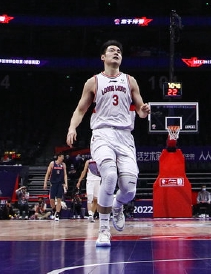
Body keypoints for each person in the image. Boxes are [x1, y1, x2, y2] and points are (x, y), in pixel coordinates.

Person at [66, 40, 151, 248]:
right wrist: (72, 128)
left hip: (125, 136)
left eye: (119, 51)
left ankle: (117, 205)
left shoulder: (130, 80)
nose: (116, 52)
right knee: (110, 175)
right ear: (103, 57)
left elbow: (140, 111)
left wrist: (144, 111)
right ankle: (104, 230)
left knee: (129, 189)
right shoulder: (93, 82)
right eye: (112, 50)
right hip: (102, 133)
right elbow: (80, 110)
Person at [76, 155, 101, 222]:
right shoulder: (88, 161)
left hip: (98, 180)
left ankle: (92, 215)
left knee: (96, 199)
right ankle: (89, 214)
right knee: (90, 197)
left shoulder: (100, 160)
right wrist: (79, 181)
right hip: (90, 180)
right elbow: (84, 171)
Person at [43, 153, 67, 221]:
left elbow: (65, 174)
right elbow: (47, 174)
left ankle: (57, 214)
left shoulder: (63, 164)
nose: (63, 158)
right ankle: (54, 210)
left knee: (59, 199)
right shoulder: (52, 163)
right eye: (62, 157)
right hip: (53, 184)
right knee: (52, 200)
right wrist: (45, 183)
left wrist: (66, 184)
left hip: (60, 184)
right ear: (59, 157)